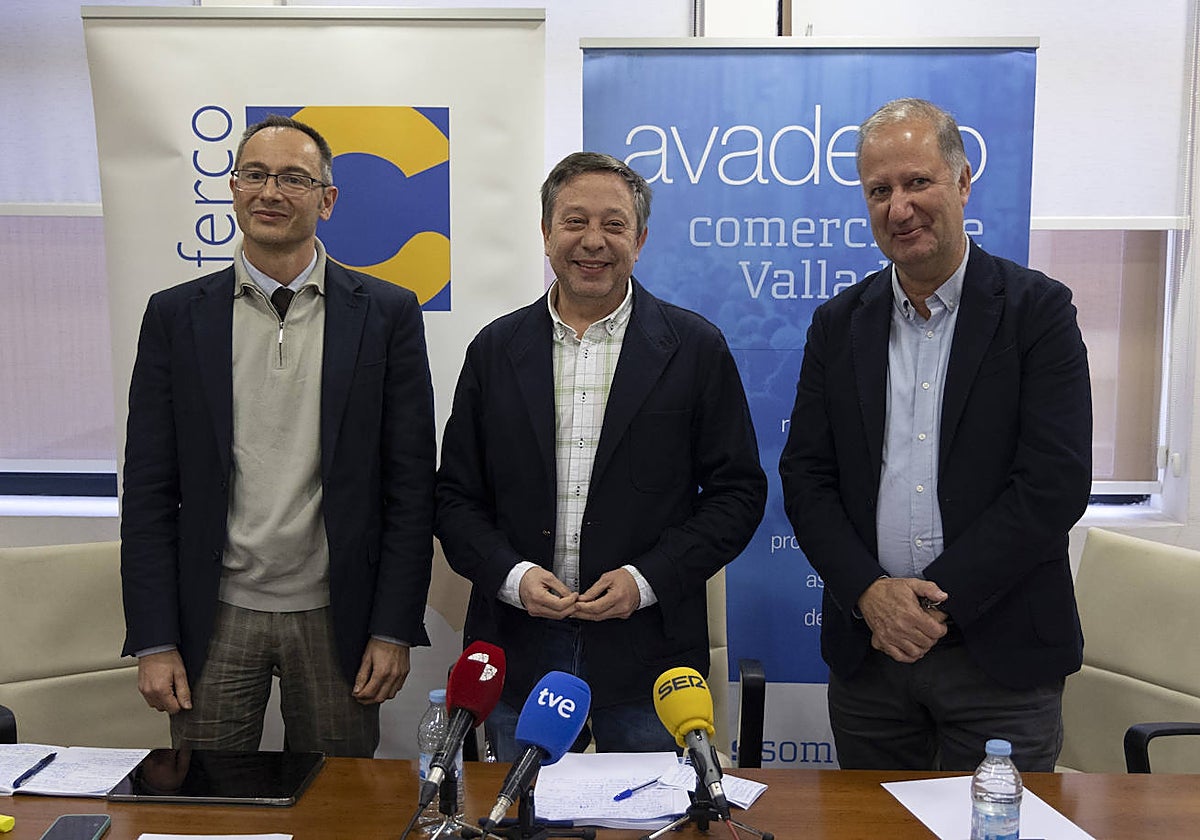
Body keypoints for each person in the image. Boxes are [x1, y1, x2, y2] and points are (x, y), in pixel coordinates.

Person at [778, 99, 1092, 772]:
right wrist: (871, 593)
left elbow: (1053, 483)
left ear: (962, 182)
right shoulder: (838, 324)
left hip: (1001, 659)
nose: (900, 208)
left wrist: (931, 601)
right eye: (879, 190)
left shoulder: (1038, 312)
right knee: (871, 823)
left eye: (917, 181)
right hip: (872, 657)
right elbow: (807, 477)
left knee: (994, 821)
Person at [120, 114, 436, 757]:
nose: (270, 192)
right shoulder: (176, 315)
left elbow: (409, 487)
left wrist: (393, 628)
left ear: (327, 199)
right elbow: (149, 487)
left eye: (294, 178)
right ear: (233, 188)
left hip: (338, 617)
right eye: (255, 175)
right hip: (213, 614)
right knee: (208, 798)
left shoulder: (387, 313)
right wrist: (154, 638)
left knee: (339, 801)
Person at [435, 151, 767, 758]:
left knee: (649, 807)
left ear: (639, 240)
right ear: (546, 233)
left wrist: (646, 580)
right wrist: (512, 577)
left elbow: (737, 495)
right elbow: (455, 498)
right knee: (520, 806)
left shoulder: (695, 348)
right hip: (518, 647)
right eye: (574, 222)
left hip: (649, 655)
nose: (593, 241)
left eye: (614, 225)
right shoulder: (494, 350)